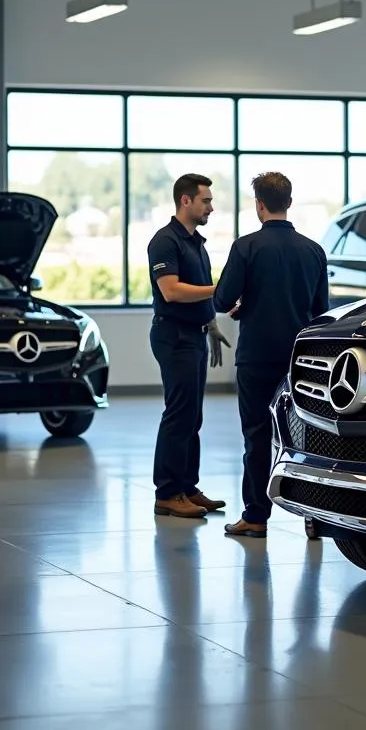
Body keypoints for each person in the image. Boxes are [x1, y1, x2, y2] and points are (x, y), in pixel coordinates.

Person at [214, 172, 329, 538]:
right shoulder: (314, 250)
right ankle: (316, 517)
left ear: (259, 205)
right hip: (300, 360)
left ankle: (255, 516)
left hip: (256, 357)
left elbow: (221, 300)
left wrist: (246, 304)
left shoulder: (246, 247)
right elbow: (320, 309)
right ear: (289, 203)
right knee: (310, 437)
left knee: (257, 436)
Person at [147, 173, 232, 519]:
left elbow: (196, 288)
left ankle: (187, 487)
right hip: (174, 336)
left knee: (192, 416)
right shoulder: (165, 241)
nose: (210, 206)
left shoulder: (197, 242)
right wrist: (219, 289)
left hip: (194, 334)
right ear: (186, 201)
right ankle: (167, 493)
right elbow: (172, 291)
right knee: (179, 414)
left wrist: (211, 323)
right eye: (206, 200)